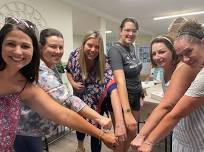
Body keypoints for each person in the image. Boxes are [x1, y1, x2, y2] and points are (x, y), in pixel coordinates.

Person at [0, 17, 117, 151]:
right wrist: (99, 120)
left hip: (18, 135)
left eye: (25, 46)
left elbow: (63, 113)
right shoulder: (44, 69)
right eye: (11, 44)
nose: (18, 51)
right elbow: (67, 99)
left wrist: (101, 128)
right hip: (25, 132)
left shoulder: (25, 83)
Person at [134, 20, 204, 152]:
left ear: (172, 52)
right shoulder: (166, 71)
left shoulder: (185, 67)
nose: (157, 57)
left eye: (162, 52)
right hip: (182, 132)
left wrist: (145, 138)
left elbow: (169, 107)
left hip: (196, 134)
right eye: (154, 54)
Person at [66, 30, 126, 152]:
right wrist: (72, 83)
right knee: (80, 123)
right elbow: (68, 71)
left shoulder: (104, 61)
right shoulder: (74, 55)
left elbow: (112, 88)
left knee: (97, 127)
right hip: (80, 97)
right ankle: (80, 145)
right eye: (90, 45)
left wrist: (119, 123)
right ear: (83, 45)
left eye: (97, 47)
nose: (93, 50)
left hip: (98, 99)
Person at [107, 17, 143, 151]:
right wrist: (127, 113)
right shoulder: (115, 50)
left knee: (132, 133)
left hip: (136, 95)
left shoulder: (131, 47)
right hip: (123, 99)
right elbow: (120, 81)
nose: (131, 34)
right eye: (127, 30)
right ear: (120, 31)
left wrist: (140, 88)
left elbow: (135, 70)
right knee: (122, 137)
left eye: (134, 31)